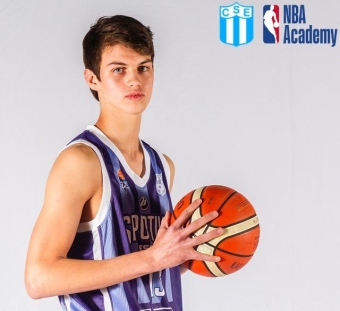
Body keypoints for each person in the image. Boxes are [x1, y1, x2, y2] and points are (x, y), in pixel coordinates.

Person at [25, 15, 223, 311]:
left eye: (144, 67)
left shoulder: (162, 166)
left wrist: (183, 253)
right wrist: (155, 257)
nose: (134, 79)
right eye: (119, 69)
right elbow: (38, 278)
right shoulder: (81, 161)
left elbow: (141, 268)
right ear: (93, 78)